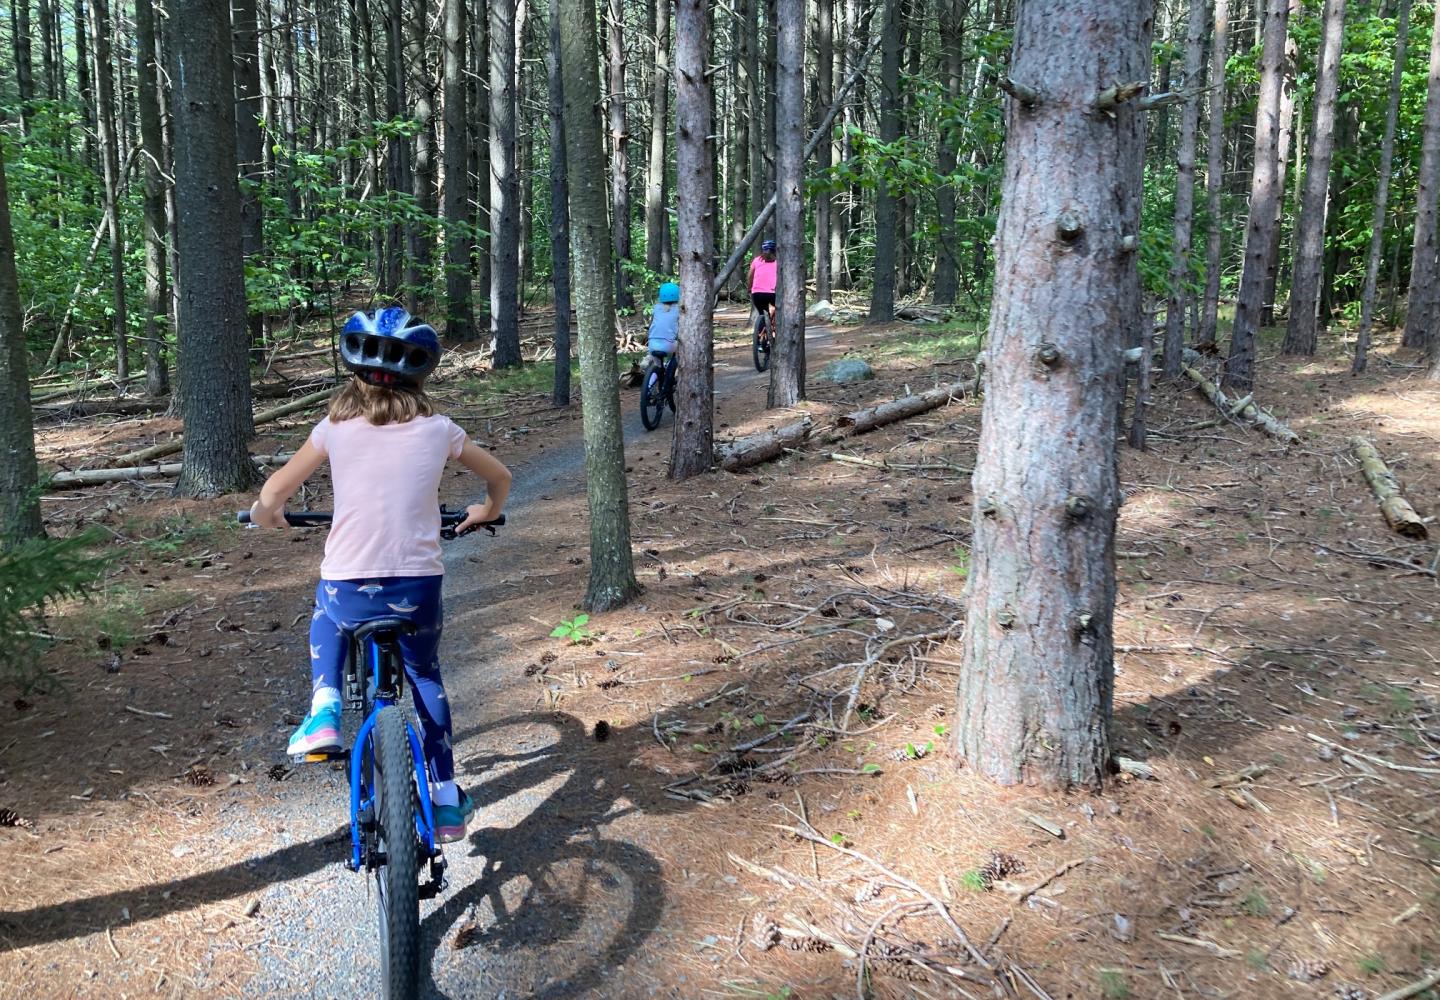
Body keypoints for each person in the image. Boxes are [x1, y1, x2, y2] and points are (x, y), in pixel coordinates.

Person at [248, 306, 512, 843]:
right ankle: (444, 798)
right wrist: (486, 508)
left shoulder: (334, 429)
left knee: (326, 616)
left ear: (355, 374)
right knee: (425, 677)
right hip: (416, 587)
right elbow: (499, 477)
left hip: (348, 585)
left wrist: (266, 516)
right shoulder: (441, 430)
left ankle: (324, 708)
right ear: (421, 377)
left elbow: (274, 494)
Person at [647, 282, 681, 396]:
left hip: (652, 343)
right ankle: (670, 377)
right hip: (669, 344)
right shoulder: (680, 309)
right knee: (679, 353)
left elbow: (652, 323)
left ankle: (648, 388)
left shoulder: (656, 308)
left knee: (658, 366)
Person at [748, 239, 778, 345]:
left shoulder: (756, 260)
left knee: (762, 313)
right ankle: (776, 331)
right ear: (775, 250)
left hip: (757, 293)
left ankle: (760, 341)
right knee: (779, 310)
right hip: (773, 293)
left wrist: (749, 288)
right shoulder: (778, 261)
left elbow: (750, 276)